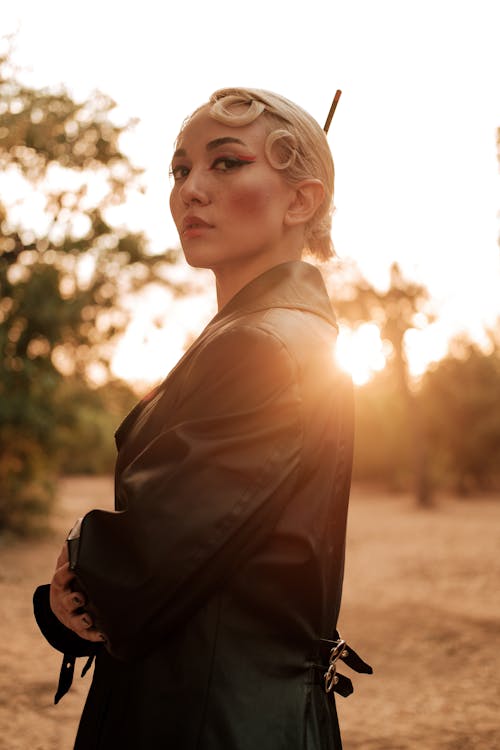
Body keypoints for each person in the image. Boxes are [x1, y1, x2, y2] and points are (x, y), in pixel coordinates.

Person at [34, 87, 371, 749]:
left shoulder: (267, 344)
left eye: (226, 162)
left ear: (301, 201)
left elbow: (161, 551)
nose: (191, 188)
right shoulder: (268, 334)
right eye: (180, 168)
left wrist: (77, 564)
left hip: (212, 719)